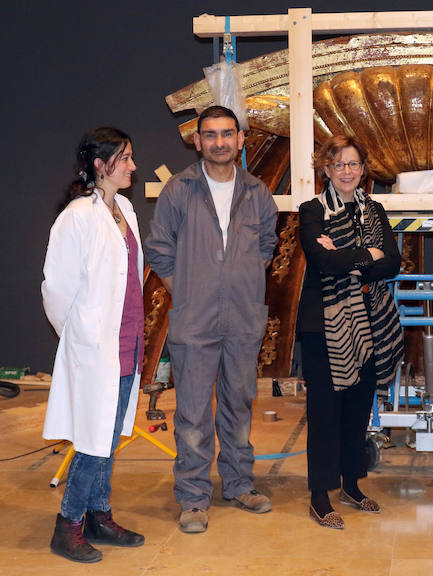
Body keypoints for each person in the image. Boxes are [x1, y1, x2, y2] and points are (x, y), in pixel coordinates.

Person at [144, 105, 278, 534]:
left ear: (241, 139)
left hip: (243, 320)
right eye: (210, 135)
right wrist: (188, 291)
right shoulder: (179, 191)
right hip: (194, 320)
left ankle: (238, 484)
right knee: (194, 412)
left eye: (227, 134)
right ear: (197, 140)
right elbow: (159, 248)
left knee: (239, 405)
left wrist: (238, 285)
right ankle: (193, 497)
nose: (219, 142)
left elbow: (267, 246)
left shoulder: (258, 192)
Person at [42, 127, 145, 562]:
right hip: (94, 349)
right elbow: (56, 290)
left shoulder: (124, 208)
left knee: (109, 436)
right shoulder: (76, 217)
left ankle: (98, 516)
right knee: (91, 439)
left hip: (128, 342)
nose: (133, 167)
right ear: (100, 166)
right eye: (124, 159)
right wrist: (80, 337)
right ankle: (67, 525)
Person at [297, 134, 404, 529]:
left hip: (371, 321)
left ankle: (351, 485)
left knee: (359, 409)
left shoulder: (374, 210)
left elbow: (392, 262)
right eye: (338, 164)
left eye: (354, 164)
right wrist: (365, 256)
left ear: (363, 169)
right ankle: (320, 495)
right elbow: (322, 263)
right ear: (325, 169)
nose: (347, 171)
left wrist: (348, 259)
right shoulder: (311, 211)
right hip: (324, 326)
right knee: (324, 412)